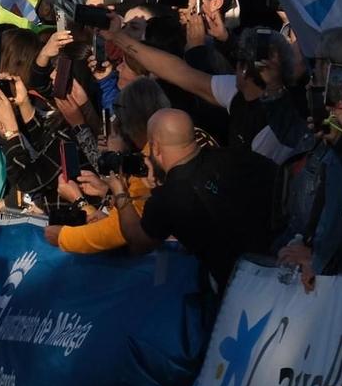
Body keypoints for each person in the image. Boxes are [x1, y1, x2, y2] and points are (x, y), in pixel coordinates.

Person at [107, 108, 274, 293]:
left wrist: (120, 192)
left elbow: (138, 241)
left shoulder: (168, 198)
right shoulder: (238, 156)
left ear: (155, 147)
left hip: (239, 291)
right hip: (280, 266)